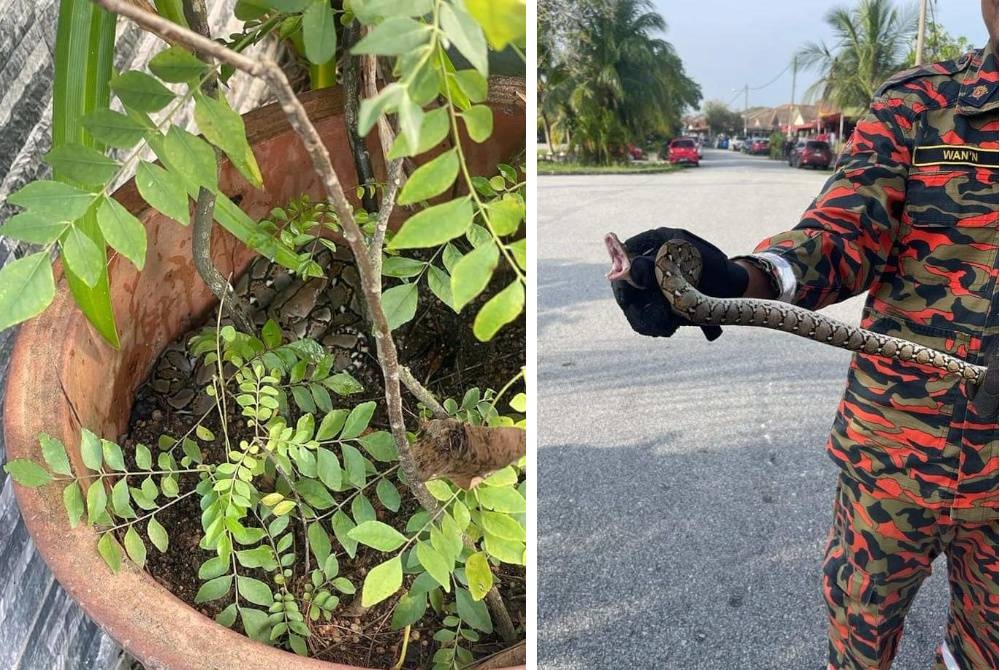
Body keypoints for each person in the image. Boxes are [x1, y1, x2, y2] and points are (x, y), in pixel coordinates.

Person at [610, 2, 999, 669]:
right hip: (892, 461)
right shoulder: (919, 107)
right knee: (857, 641)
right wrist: (736, 280)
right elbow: (842, 236)